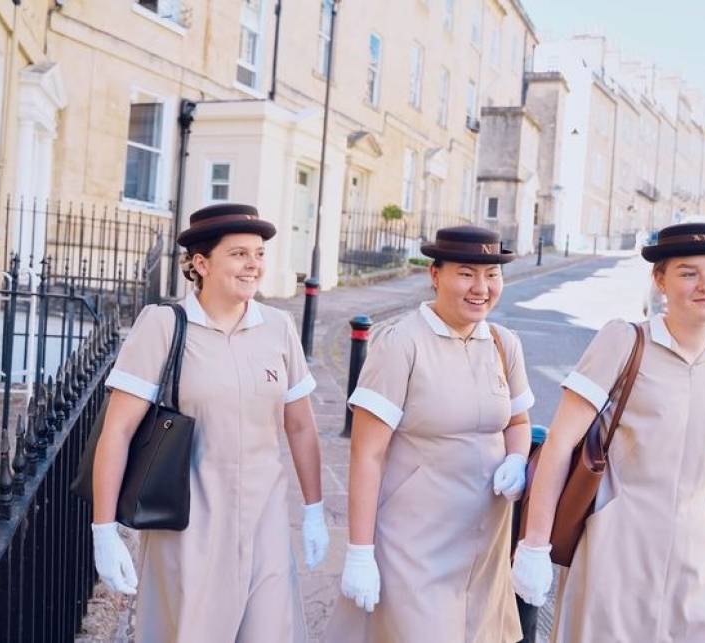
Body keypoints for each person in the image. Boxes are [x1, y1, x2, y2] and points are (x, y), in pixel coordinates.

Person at [90, 203, 329, 642]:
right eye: (238, 253)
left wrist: (314, 510)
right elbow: (118, 430)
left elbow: (299, 425)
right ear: (201, 263)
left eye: (258, 253)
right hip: (188, 521)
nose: (253, 264)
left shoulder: (278, 327)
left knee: (269, 632)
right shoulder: (164, 325)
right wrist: (103, 530)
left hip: (265, 521)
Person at [512, 222, 705, 642]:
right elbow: (560, 442)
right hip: (615, 552)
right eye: (688, 272)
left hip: (695, 562)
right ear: (660, 280)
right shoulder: (624, 342)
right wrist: (534, 544)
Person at [324, 225, 535, 642]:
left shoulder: (502, 343)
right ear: (435, 275)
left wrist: (515, 457)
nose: (481, 288)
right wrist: (360, 552)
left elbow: (518, 422)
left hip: (484, 544)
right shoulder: (400, 343)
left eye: (492, 275)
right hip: (415, 547)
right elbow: (366, 454)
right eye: (466, 273)